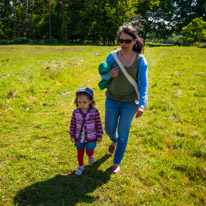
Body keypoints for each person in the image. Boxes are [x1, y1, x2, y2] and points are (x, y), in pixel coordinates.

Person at [99, 25, 148, 173]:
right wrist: (110, 76)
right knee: (109, 129)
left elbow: (143, 84)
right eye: (121, 40)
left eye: (127, 41)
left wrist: (141, 105)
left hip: (129, 102)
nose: (123, 44)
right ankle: (114, 139)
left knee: (124, 133)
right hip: (112, 99)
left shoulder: (140, 60)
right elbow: (103, 75)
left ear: (135, 41)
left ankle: (117, 162)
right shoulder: (112, 56)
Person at [69, 88, 103, 175]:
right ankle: (80, 166)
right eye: (79, 102)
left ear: (90, 101)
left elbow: (98, 124)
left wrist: (99, 135)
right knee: (79, 153)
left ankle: (90, 156)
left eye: (84, 102)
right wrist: (72, 134)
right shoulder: (75, 112)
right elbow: (73, 124)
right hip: (78, 138)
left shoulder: (94, 112)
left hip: (91, 137)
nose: (82, 105)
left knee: (89, 150)